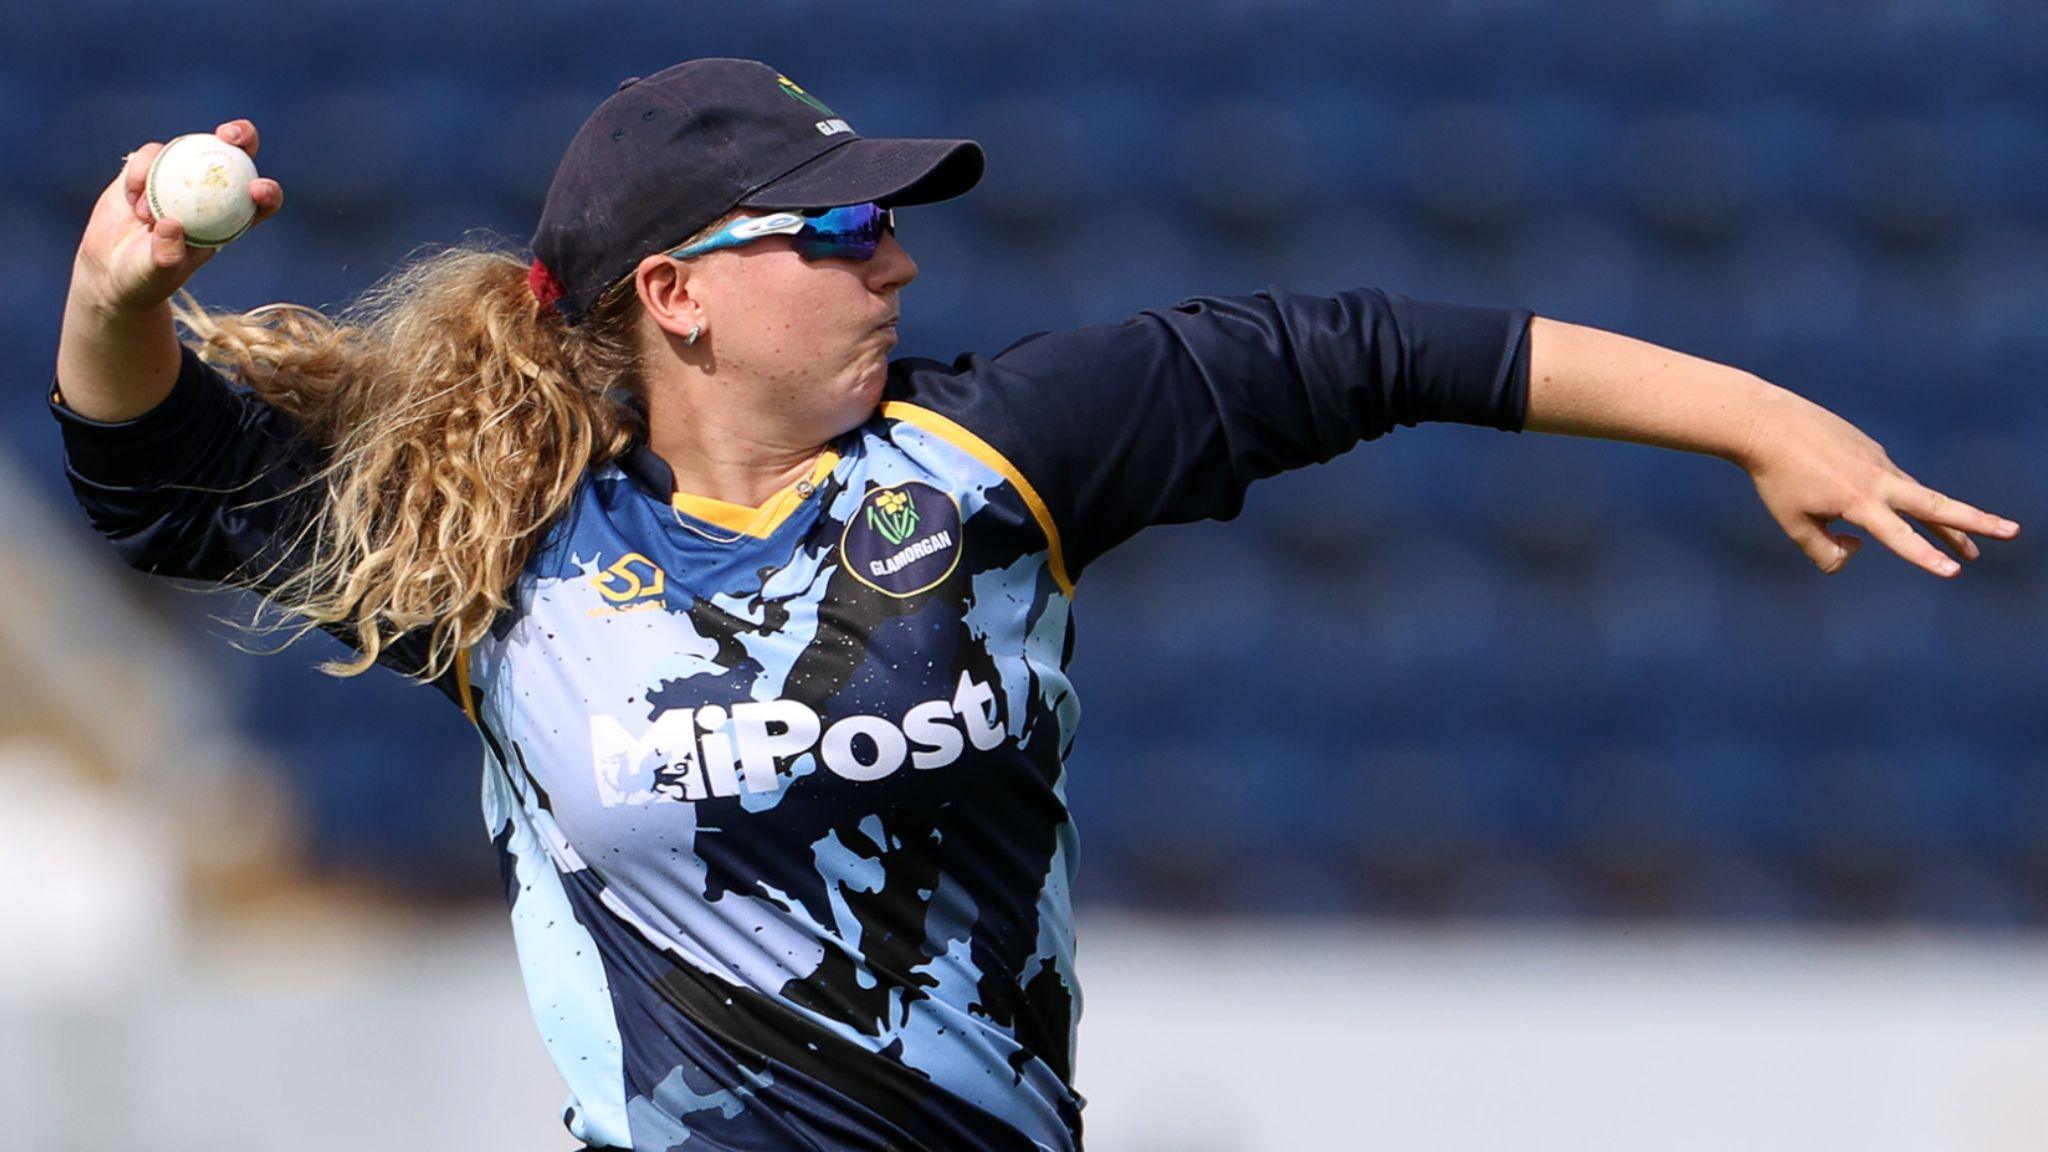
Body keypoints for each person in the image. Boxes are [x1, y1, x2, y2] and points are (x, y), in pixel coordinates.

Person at [51, 58, 2018, 1152]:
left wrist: (1766, 421)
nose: (891, 260)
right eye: (836, 227)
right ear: (677, 291)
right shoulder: (505, 545)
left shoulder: (990, 460)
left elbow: (1374, 348)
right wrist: (122, 289)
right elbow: (153, 476)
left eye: (890, 218)